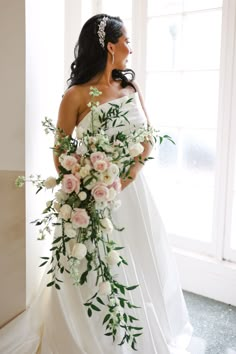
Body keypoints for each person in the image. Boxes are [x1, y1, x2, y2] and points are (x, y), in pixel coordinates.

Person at [0, 14, 193, 354]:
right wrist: (86, 184)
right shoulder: (74, 96)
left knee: (136, 264)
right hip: (89, 203)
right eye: (127, 41)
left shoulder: (130, 88)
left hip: (131, 197)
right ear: (110, 46)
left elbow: (147, 138)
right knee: (91, 272)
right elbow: (60, 155)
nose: (130, 49)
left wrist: (126, 178)